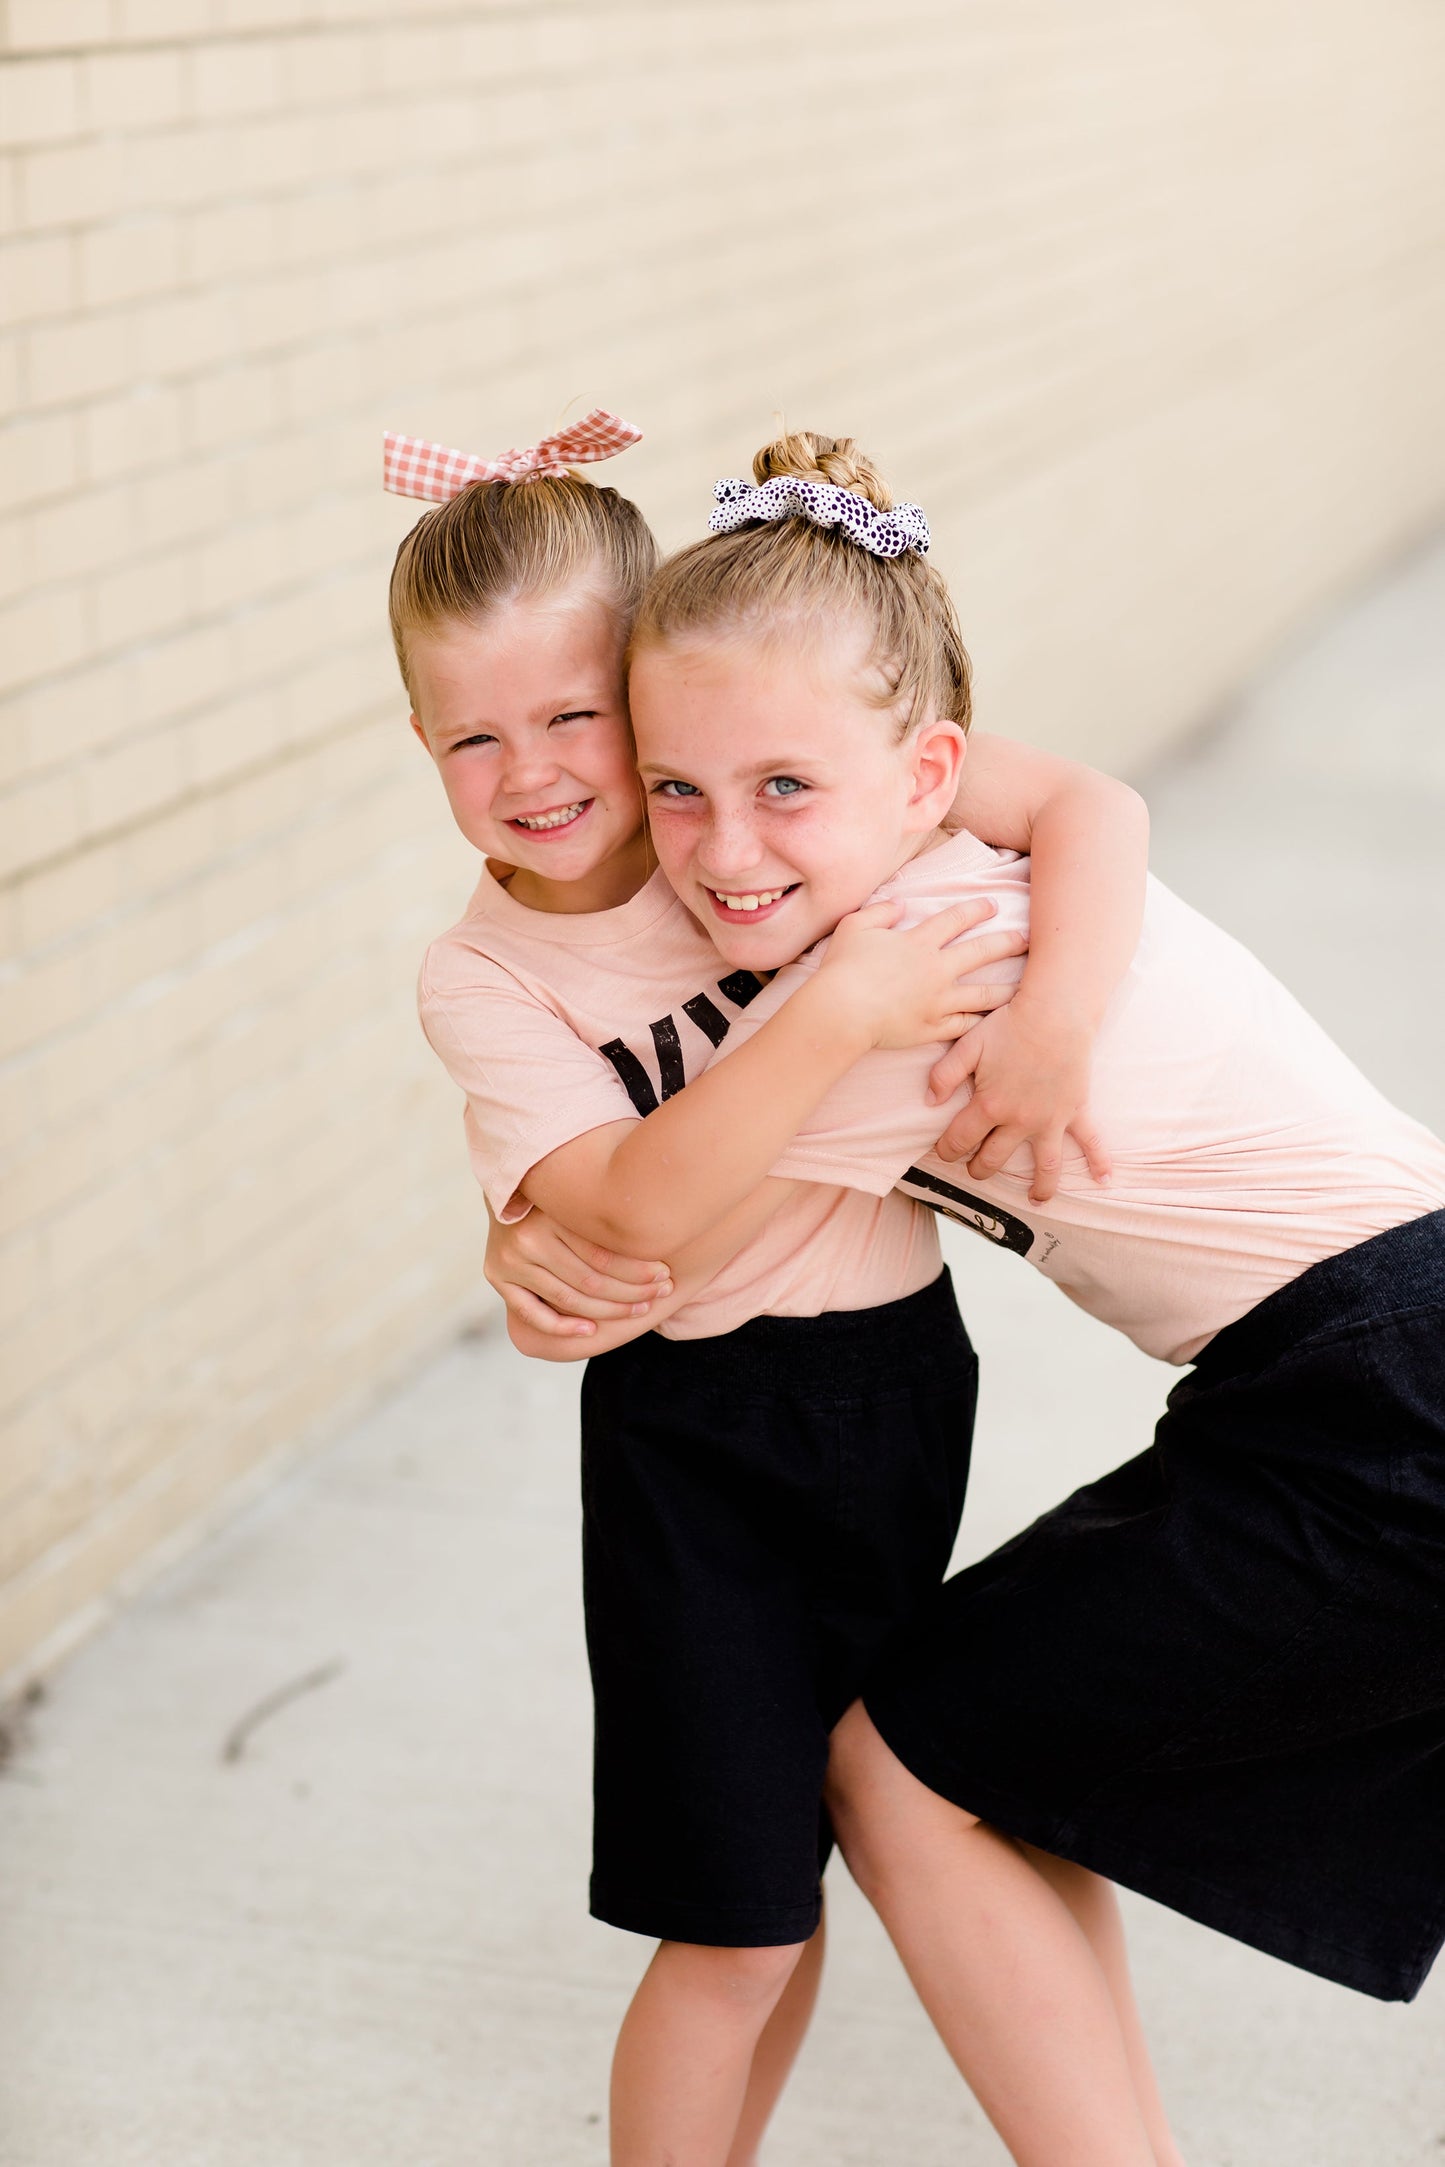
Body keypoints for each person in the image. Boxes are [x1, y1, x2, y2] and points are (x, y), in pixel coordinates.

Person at [501, 427, 1445, 2163]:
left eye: (784, 788)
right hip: (1359, 1363)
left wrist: (535, 1243)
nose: (717, 854)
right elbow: (1080, 797)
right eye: (676, 786)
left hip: (1384, 1401)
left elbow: (649, 1217)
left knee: (906, 1764)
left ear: (921, 772)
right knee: (985, 1759)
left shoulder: (896, 985)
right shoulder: (950, 866)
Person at [389, 413, 1160, 2166]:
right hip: (700, 1451)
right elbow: (636, 1209)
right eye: (472, 737)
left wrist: (1049, 1028)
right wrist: (836, 1013)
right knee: (731, 1923)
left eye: (581, 717)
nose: (541, 774)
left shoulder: (748, 808)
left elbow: (1087, 808)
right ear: (422, 744)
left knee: (806, 1877)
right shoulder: (490, 975)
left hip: (895, 1389)